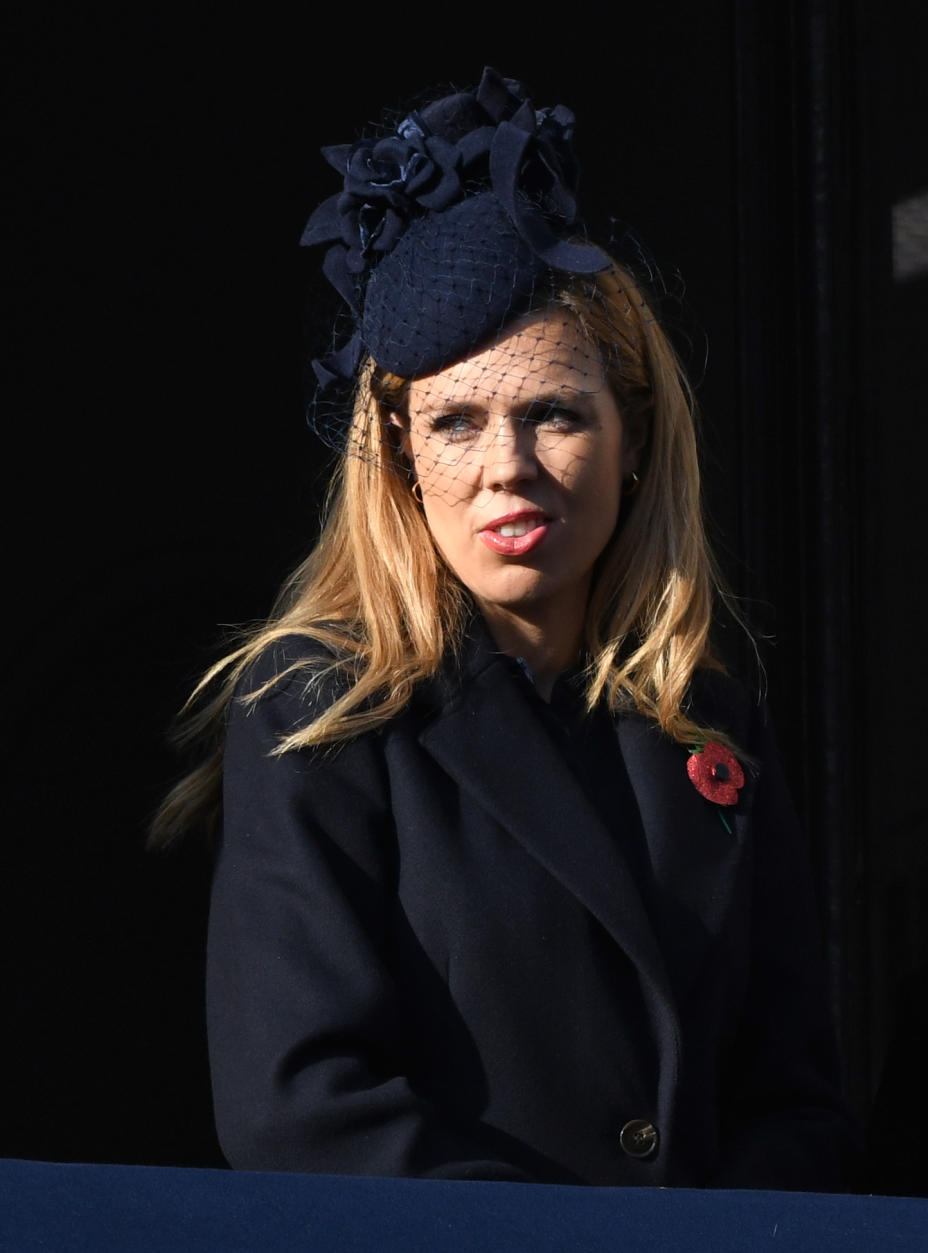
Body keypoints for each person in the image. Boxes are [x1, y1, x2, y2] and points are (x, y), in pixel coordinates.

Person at [153, 68, 863, 1188]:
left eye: (555, 413)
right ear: (398, 453)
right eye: (456, 421)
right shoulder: (322, 704)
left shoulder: (709, 720)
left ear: (632, 438)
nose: (507, 469)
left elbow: (794, 1099)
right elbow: (303, 1110)